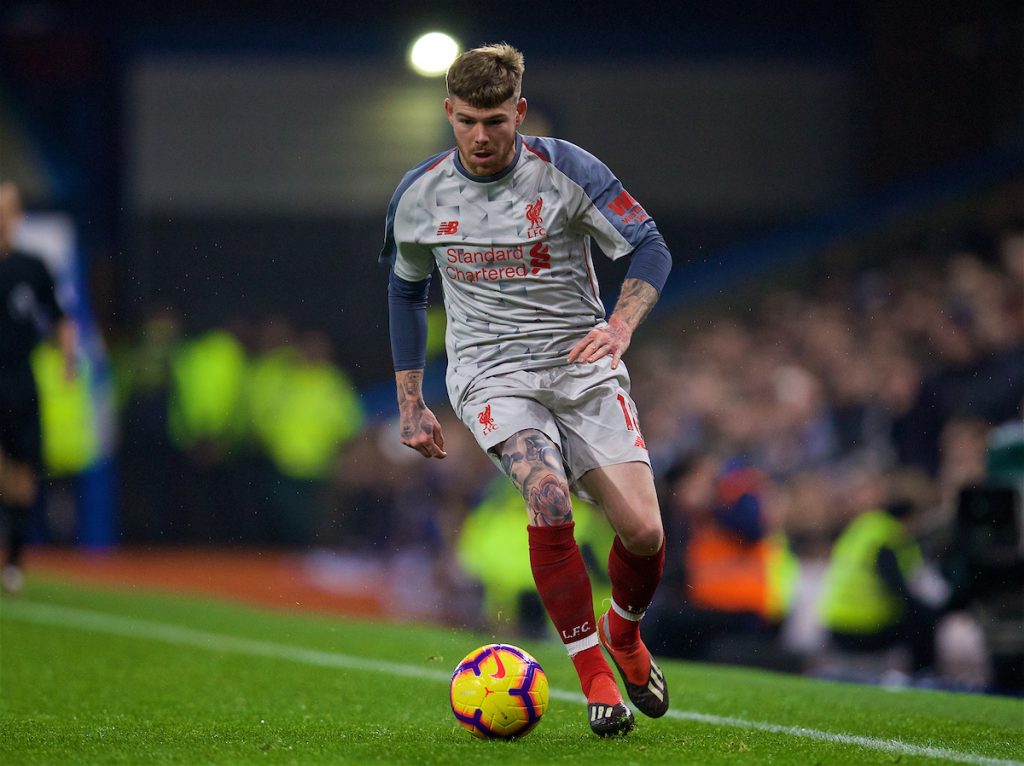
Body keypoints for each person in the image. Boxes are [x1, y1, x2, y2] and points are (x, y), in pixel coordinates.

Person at [380, 44, 672, 737]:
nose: (481, 137)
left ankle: (623, 637)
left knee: (644, 531)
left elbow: (649, 244)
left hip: (581, 361)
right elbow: (404, 289)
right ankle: (593, 676)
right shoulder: (418, 195)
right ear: (448, 113)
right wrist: (411, 401)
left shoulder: (568, 170)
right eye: (467, 122)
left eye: (495, 121)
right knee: (545, 494)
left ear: (519, 112)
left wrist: (623, 324)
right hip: (491, 371)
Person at [0, 181, 78, 592]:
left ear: (17, 217)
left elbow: (60, 316)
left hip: (19, 377)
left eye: (6, 209)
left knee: (23, 471)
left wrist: (68, 356)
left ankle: (14, 562)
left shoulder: (32, 266)